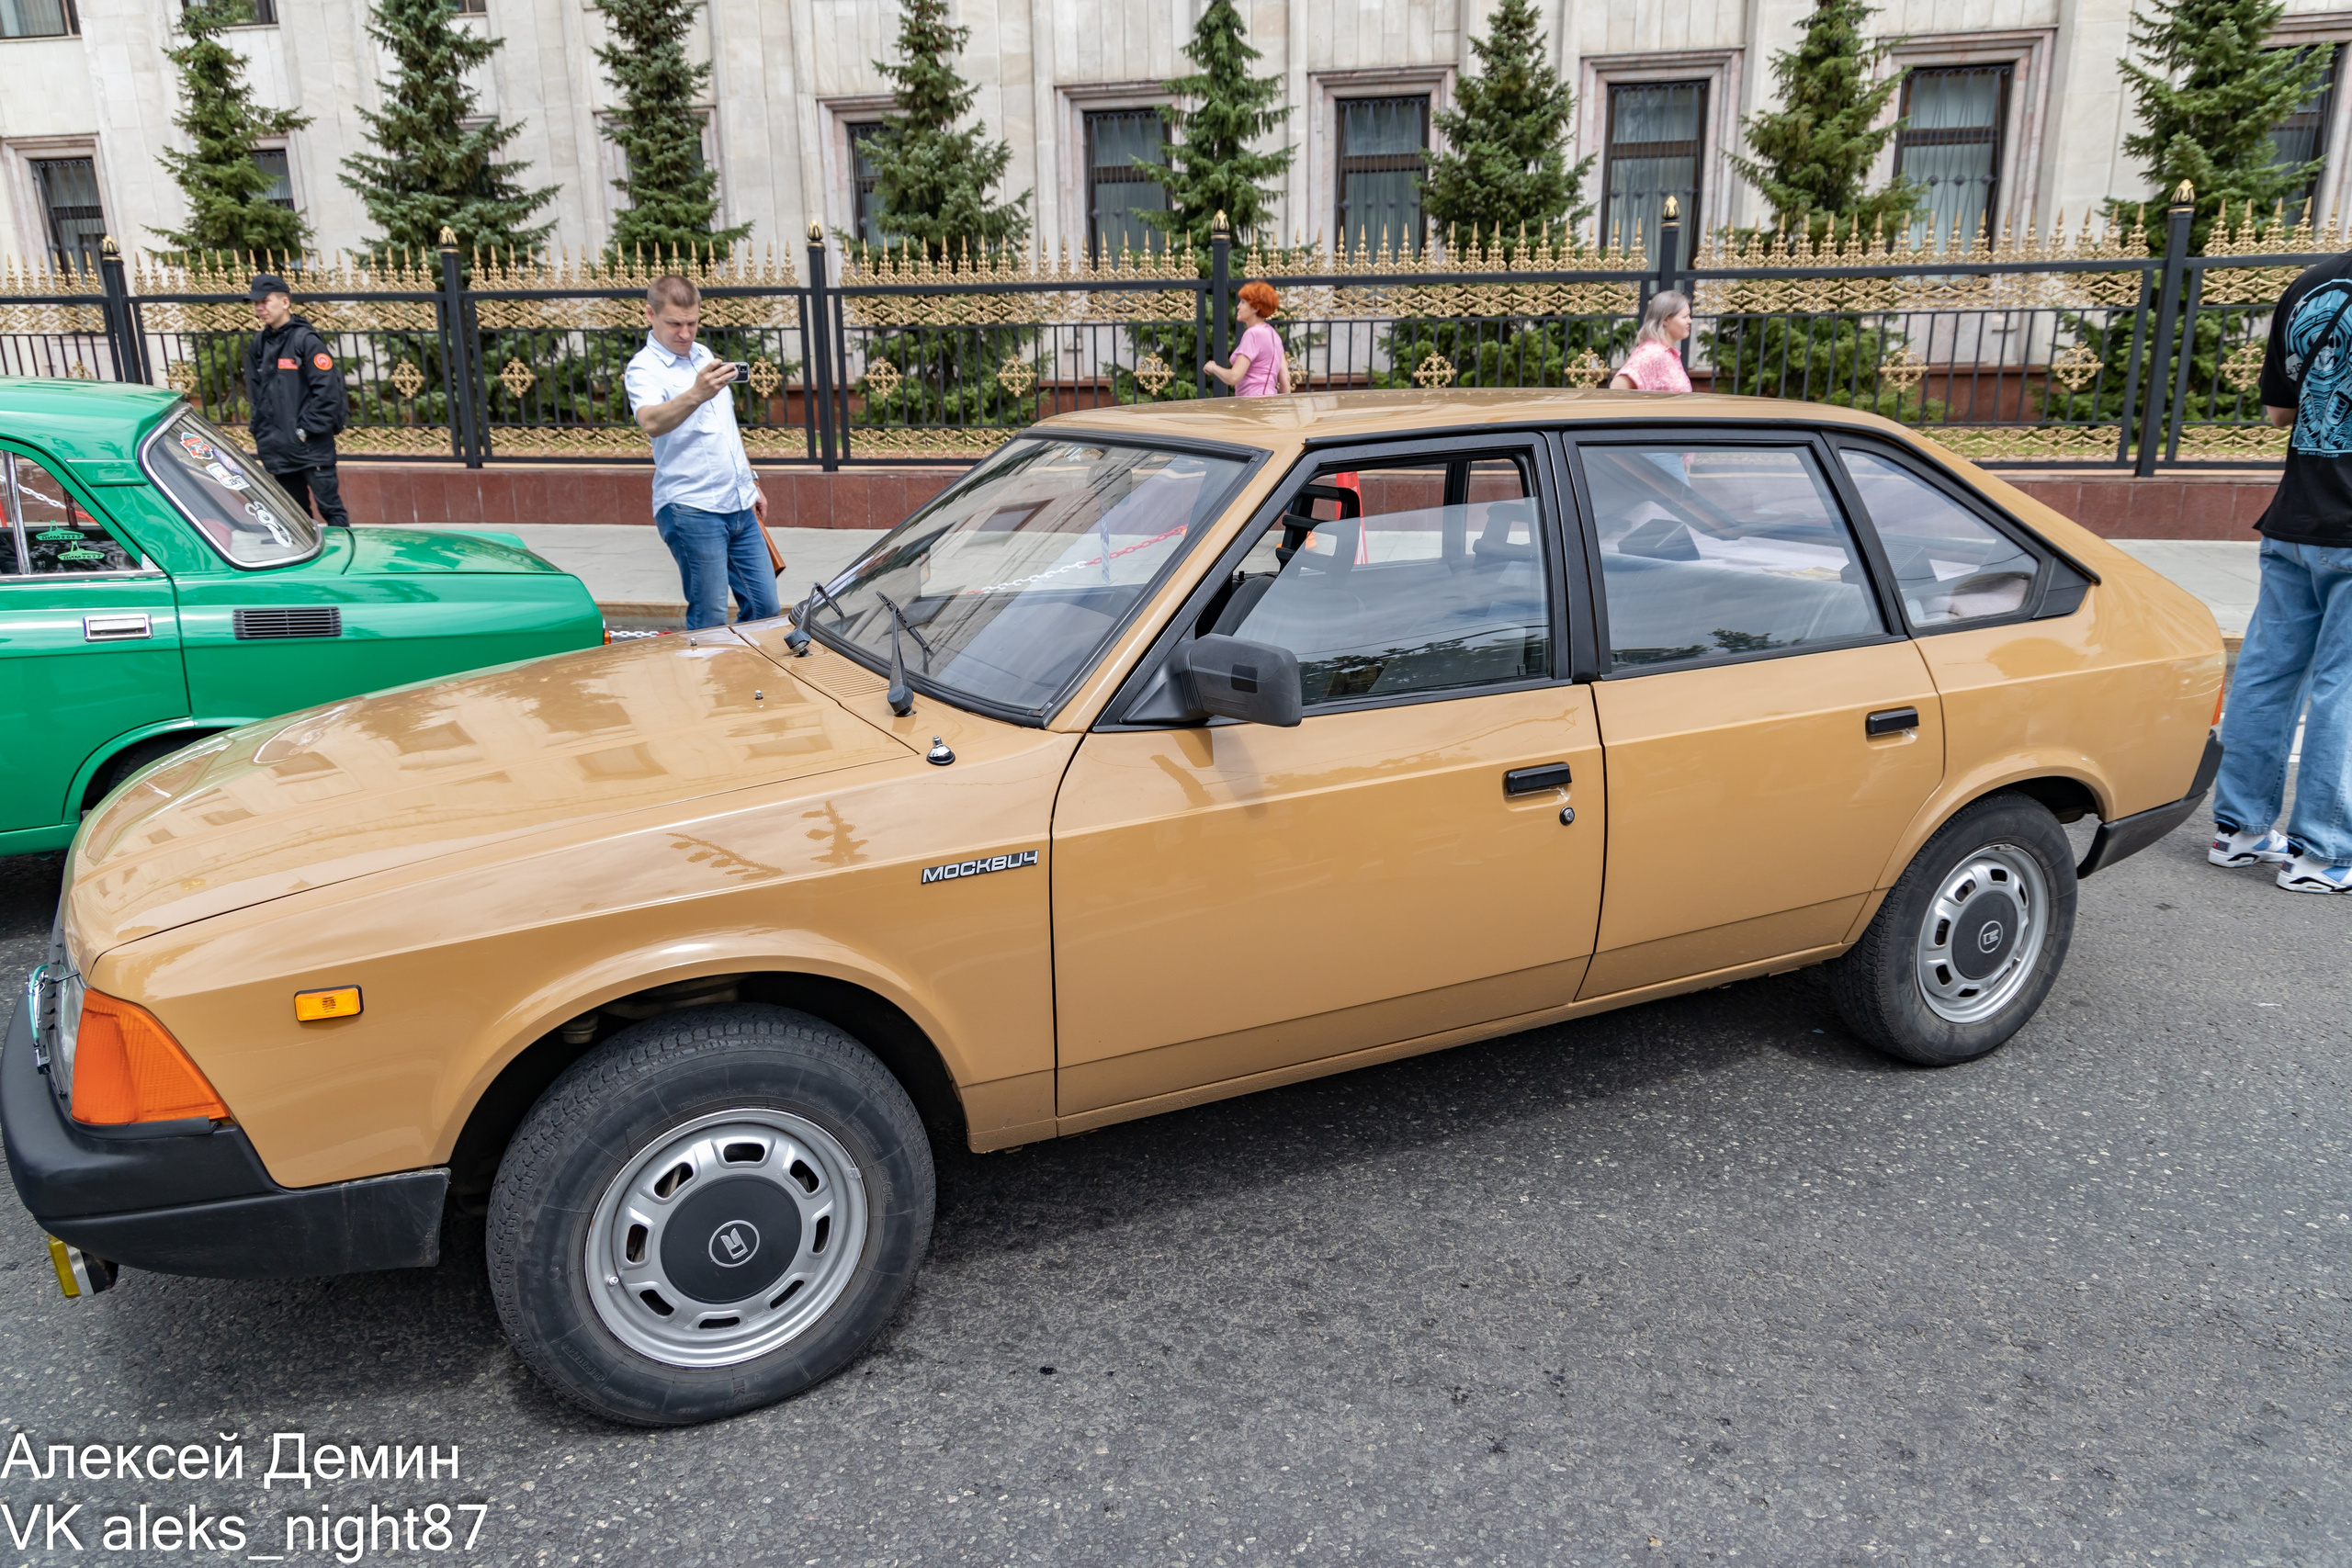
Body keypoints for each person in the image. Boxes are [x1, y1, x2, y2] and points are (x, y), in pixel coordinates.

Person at [2207, 254, 2352, 893]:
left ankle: (2238, 830)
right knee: (2342, 688)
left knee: (2267, 673)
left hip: (2295, 519)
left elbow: (2279, 413)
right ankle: (2321, 853)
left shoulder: (2308, 285)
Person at [623, 274, 780, 631]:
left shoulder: (704, 356)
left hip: (738, 502)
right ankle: (705, 681)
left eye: (692, 322)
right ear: (650, 314)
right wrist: (696, 392)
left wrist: (750, 480)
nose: (684, 332)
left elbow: (723, 427)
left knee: (766, 606)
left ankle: (742, 673)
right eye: (674, 324)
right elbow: (650, 421)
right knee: (708, 617)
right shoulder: (643, 368)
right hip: (691, 508)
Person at [243, 273, 350, 526]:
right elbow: (257, 396)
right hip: (279, 451)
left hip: (311, 449)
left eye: (265, 301)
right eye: (256, 303)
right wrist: (260, 431)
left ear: (285, 302)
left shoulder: (306, 342)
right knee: (297, 518)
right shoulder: (259, 344)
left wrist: (304, 431)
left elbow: (328, 394)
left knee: (331, 510)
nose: (259, 308)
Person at [1204, 281, 1293, 397]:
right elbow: (1285, 379)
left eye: (1243, 302)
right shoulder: (1275, 336)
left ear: (1255, 308)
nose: (1238, 306)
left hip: (1251, 405)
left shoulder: (1253, 334)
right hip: (1270, 405)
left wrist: (1213, 367)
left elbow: (1234, 377)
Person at [1611, 290, 1693, 392]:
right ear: (1666, 320)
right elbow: (1618, 387)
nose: (1690, 321)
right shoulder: (1652, 352)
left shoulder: (1668, 352)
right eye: (1684, 317)